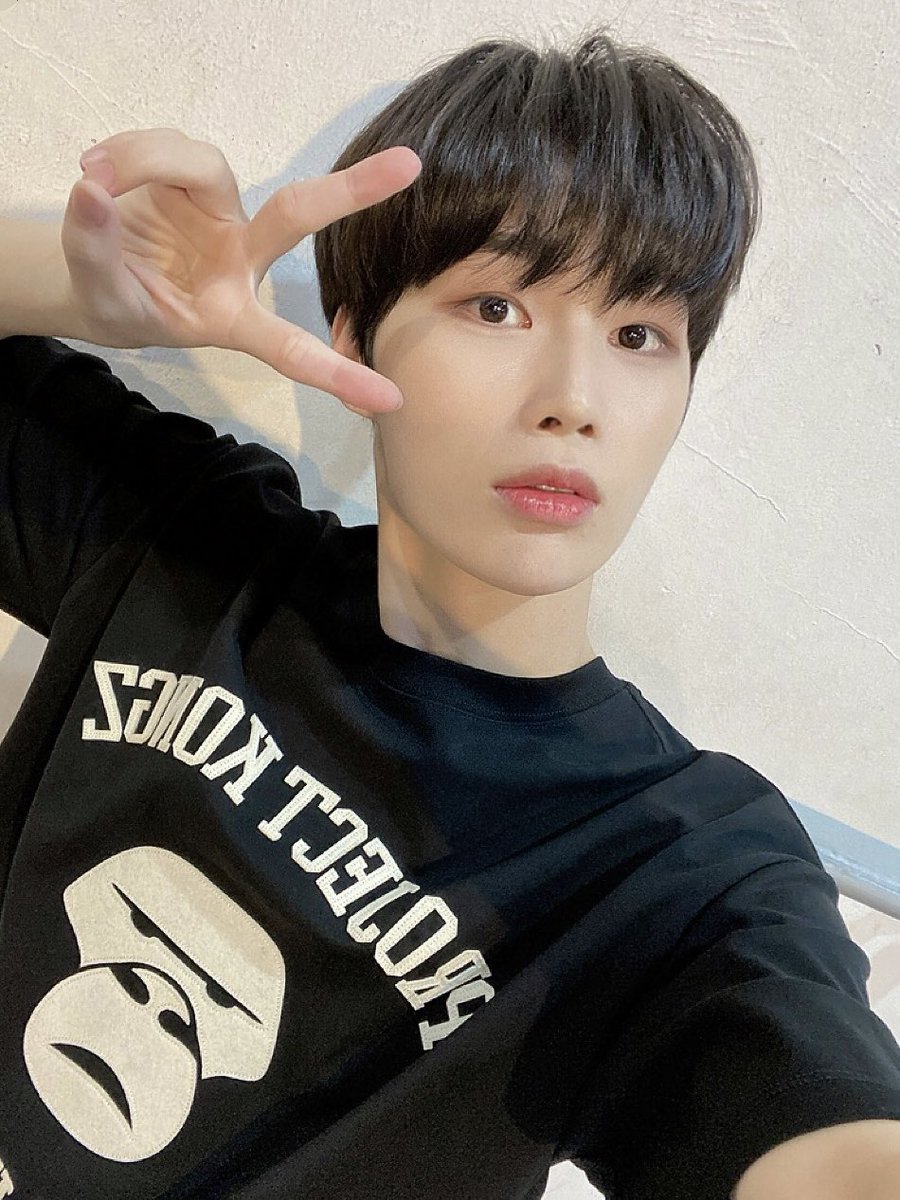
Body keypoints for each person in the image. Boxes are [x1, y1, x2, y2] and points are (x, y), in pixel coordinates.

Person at [0, 24, 899, 1200]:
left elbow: (821, 1129)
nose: (574, 399)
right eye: (496, 307)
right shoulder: (186, 545)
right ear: (353, 329)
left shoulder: (675, 863)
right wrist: (86, 292)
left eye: (639, 335)